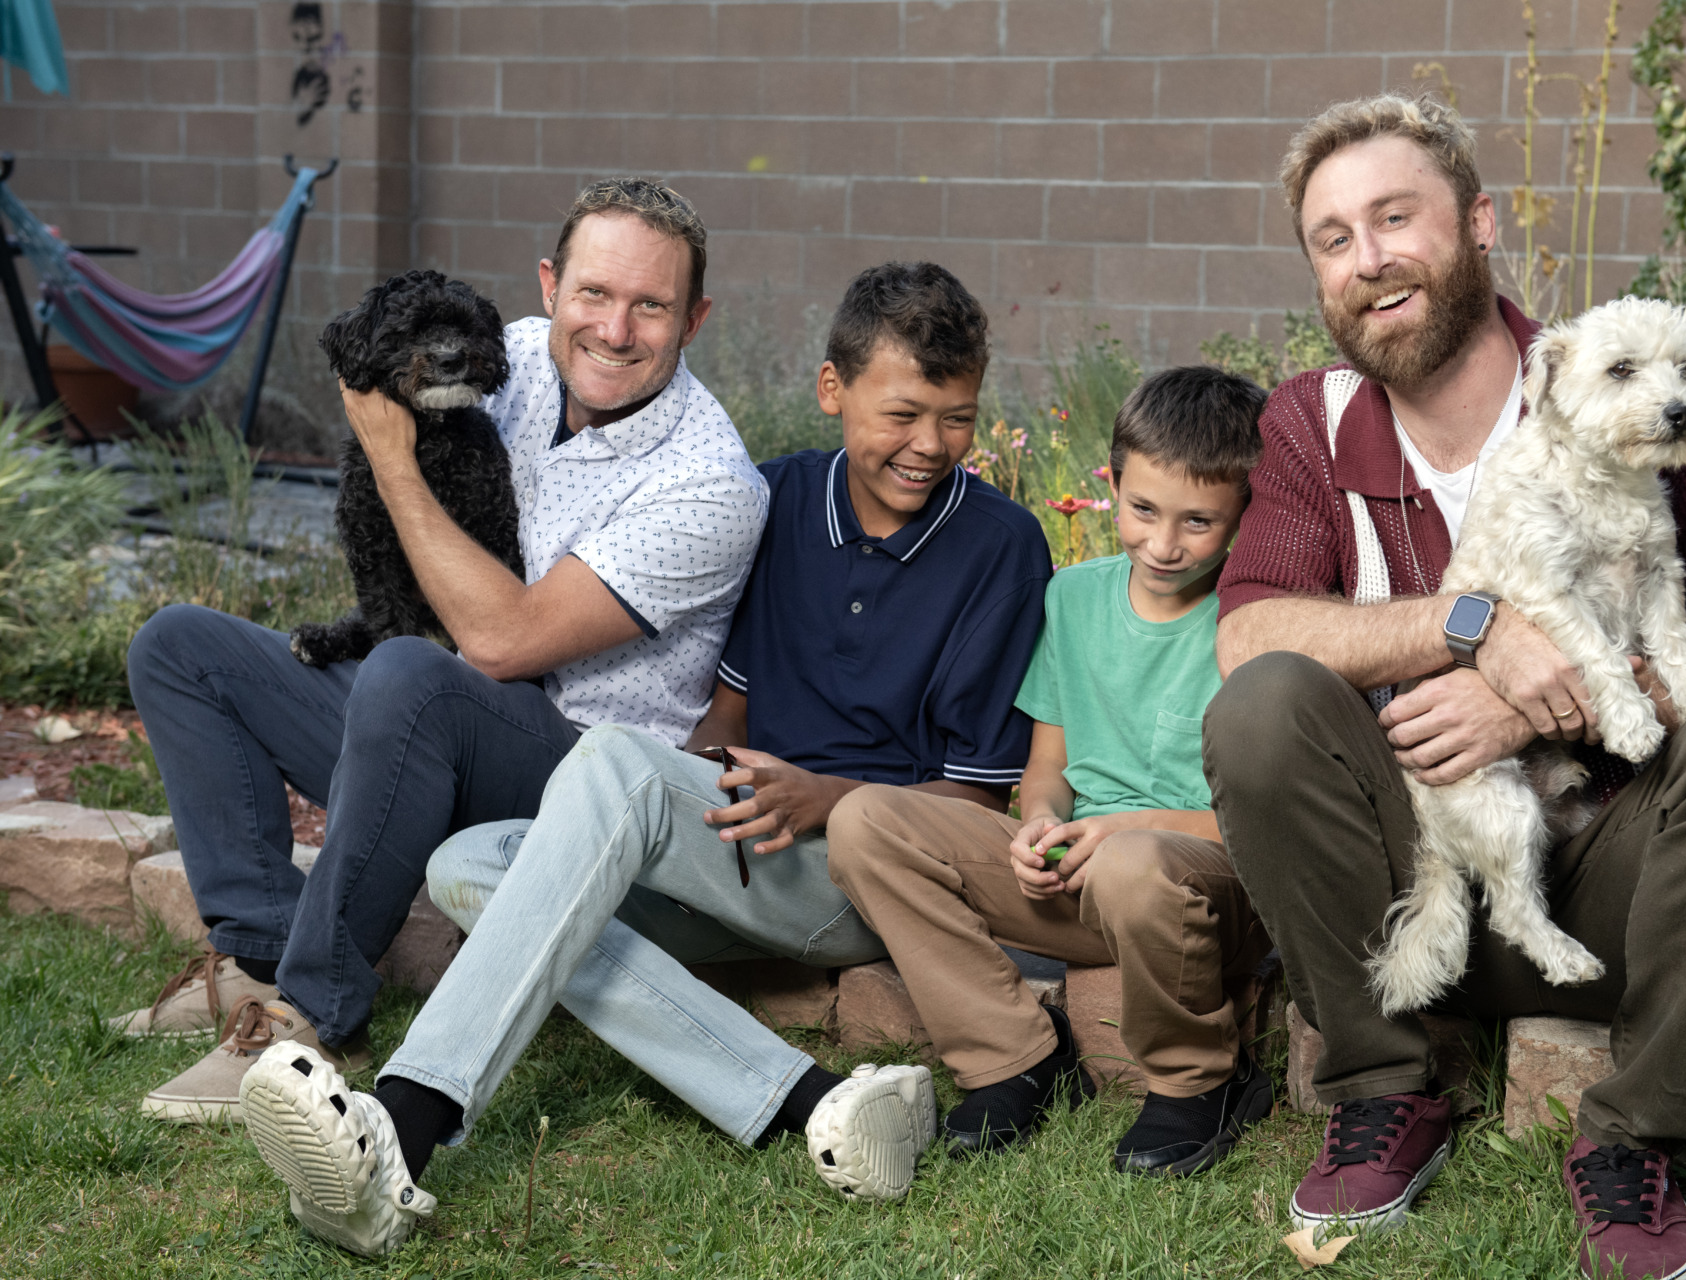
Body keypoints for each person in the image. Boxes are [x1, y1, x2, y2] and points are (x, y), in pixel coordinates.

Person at [233, 261, 1054, 1256]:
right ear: (832, 390)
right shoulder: (785, 495)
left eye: (958, 418)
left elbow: (973, 796)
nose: (930, 444)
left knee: (615, 762)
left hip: (861, 865)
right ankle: (815, 1100)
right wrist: (684, 789)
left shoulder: (1004, 544)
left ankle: (403, 1121)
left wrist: (821, 792)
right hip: (735, 836)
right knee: (471, 864)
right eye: (903, 413)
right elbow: (732, 700)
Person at [1202, 94, 1686, 1280]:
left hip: (1621, 882)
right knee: (1260, 708)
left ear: (1481, 222)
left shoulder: (1637, 387)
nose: (1371, 259)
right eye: (1335, 238)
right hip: (1413, 877)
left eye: (1398, 216)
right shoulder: (1315, 419)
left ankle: (1639, 1130)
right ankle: (1379, 1083)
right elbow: (1248, 642)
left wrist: (1546, 697)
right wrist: (1471, 628)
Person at [119, 178, 767, 1122]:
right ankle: (256, 956)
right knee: (182, 647)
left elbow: (503, 643)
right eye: (594, 293)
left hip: (576, 780)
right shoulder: (507, 358)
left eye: (651, 305)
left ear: (694, 318)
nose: (615, 330)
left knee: (412, 671)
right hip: (427, 723)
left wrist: (390, 456)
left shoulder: (709, 484)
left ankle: (312, 1011)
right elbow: (367, 358)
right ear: (549, 285)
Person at [828, 365, 1277, 1177]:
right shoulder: (1072, 599)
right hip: (1077, 878)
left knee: (1136, 866)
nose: (1163, 544)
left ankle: (1200, 1081)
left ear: (1244, 516)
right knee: (866, 820)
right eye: (1142, 510)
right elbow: (1048, 770)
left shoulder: (1252, 623)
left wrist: (1123, 832)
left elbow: (1264, 829)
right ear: (1112, 484)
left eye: (1199, 521)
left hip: (1206, 894)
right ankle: (1014, 1058)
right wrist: (1038, 824)